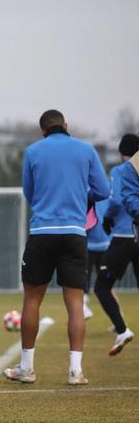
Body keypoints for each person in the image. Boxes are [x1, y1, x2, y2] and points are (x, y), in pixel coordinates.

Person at [4, 109, 109, 386]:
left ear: (43, 131)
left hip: (42, 232)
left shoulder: (33, 151)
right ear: (66, 125)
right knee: (75, 303)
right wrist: (80, 194)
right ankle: (75, 371)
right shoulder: (85, 150)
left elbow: (29, 191)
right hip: (75, 233)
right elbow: (103, 192)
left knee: (32, 300)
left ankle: (26, 368)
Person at [96, 134, 139, 356]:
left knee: (101, 287)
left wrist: (107, 219)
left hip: (123, 237)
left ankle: (122, 330)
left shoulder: (121, 171)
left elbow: (115, 200)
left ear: (122, 154)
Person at [85, 198, 110, 320]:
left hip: (103, 245)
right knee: (85, 280)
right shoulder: (105, 190)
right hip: (91, 246)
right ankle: (83, 307)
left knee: (105, 286)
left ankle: (119, 320)